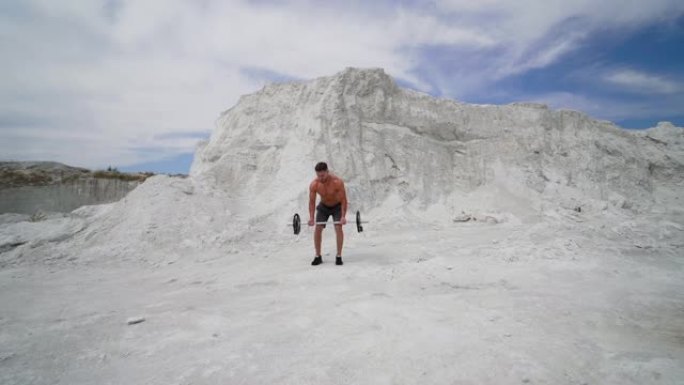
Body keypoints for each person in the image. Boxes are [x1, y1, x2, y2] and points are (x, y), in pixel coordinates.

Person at [308, 162, 348, 266]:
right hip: (323, 207)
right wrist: (311, 218)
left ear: (327, 172)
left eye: (323, 175)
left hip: (337, 207)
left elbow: (344, 200)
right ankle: (318, 256)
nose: (320, 178)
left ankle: (338, 256)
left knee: (338, 227)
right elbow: (312, 202)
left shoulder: (337, 182)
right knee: (318, 228)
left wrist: (343, 216)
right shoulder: (314, 184)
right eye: (318, 175)